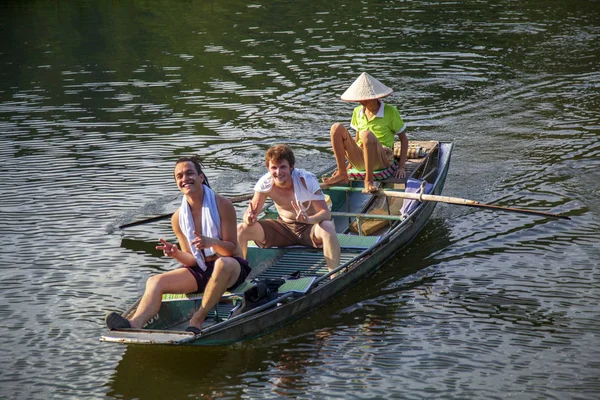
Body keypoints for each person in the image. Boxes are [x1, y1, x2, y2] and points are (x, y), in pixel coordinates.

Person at [105, 155, 251, 334]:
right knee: (155, 281)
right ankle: (134, 323)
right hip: (202, 269)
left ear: (201, 177)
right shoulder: (177, 218)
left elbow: (231, 249)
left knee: (221, 264)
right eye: (179, 176)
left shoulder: (223, 205)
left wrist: (210, 242)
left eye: (189, 173)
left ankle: (198, 318)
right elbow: (191, 261)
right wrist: (175, 253)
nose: (185, 179)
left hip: (230, 267)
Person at [237, 144, 341, 277]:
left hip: (309, 228)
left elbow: (325, 213)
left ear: (291, 167)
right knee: (241, 229)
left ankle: (334, 276)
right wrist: (249, 218)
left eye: (283, 167)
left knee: (327, 227)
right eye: (274, 168)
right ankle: (239, 278)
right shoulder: (265, 183)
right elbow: (250, 213)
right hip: (283, 228)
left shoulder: (306, 180)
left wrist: (309, 219)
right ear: (268, 168)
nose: (278, 173)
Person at [322, 72, 409, 193]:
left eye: (365, 98)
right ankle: (342, 173)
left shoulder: (390, 111)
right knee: (336, 128)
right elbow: (356, 141)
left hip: (382, 158)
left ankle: (368, 181)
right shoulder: (357, 111)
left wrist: (401, 167)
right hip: (362, 154)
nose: (362, 101)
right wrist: (349, 166)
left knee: (366, 135)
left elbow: (404, 140)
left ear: (375, 96)